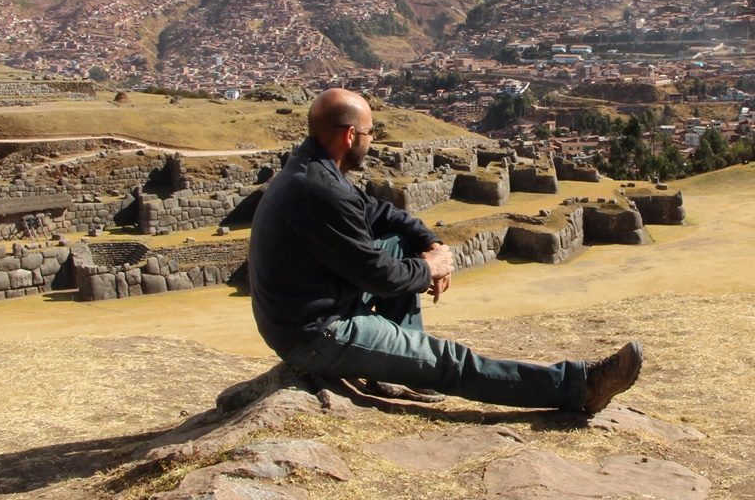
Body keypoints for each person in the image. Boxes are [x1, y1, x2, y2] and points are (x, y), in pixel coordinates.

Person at [248, 87, 642, 414]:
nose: (373, 141)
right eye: (370, 133)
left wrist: (428, 243)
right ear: (350, 135)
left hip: (314, 302)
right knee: (448, 363)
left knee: (400, 242)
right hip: (316, 333)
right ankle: (578, 386)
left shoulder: (313, 169)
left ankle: (394, 371)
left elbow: (380, 213)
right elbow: (378, 276)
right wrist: (431, 267)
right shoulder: (321, 189)